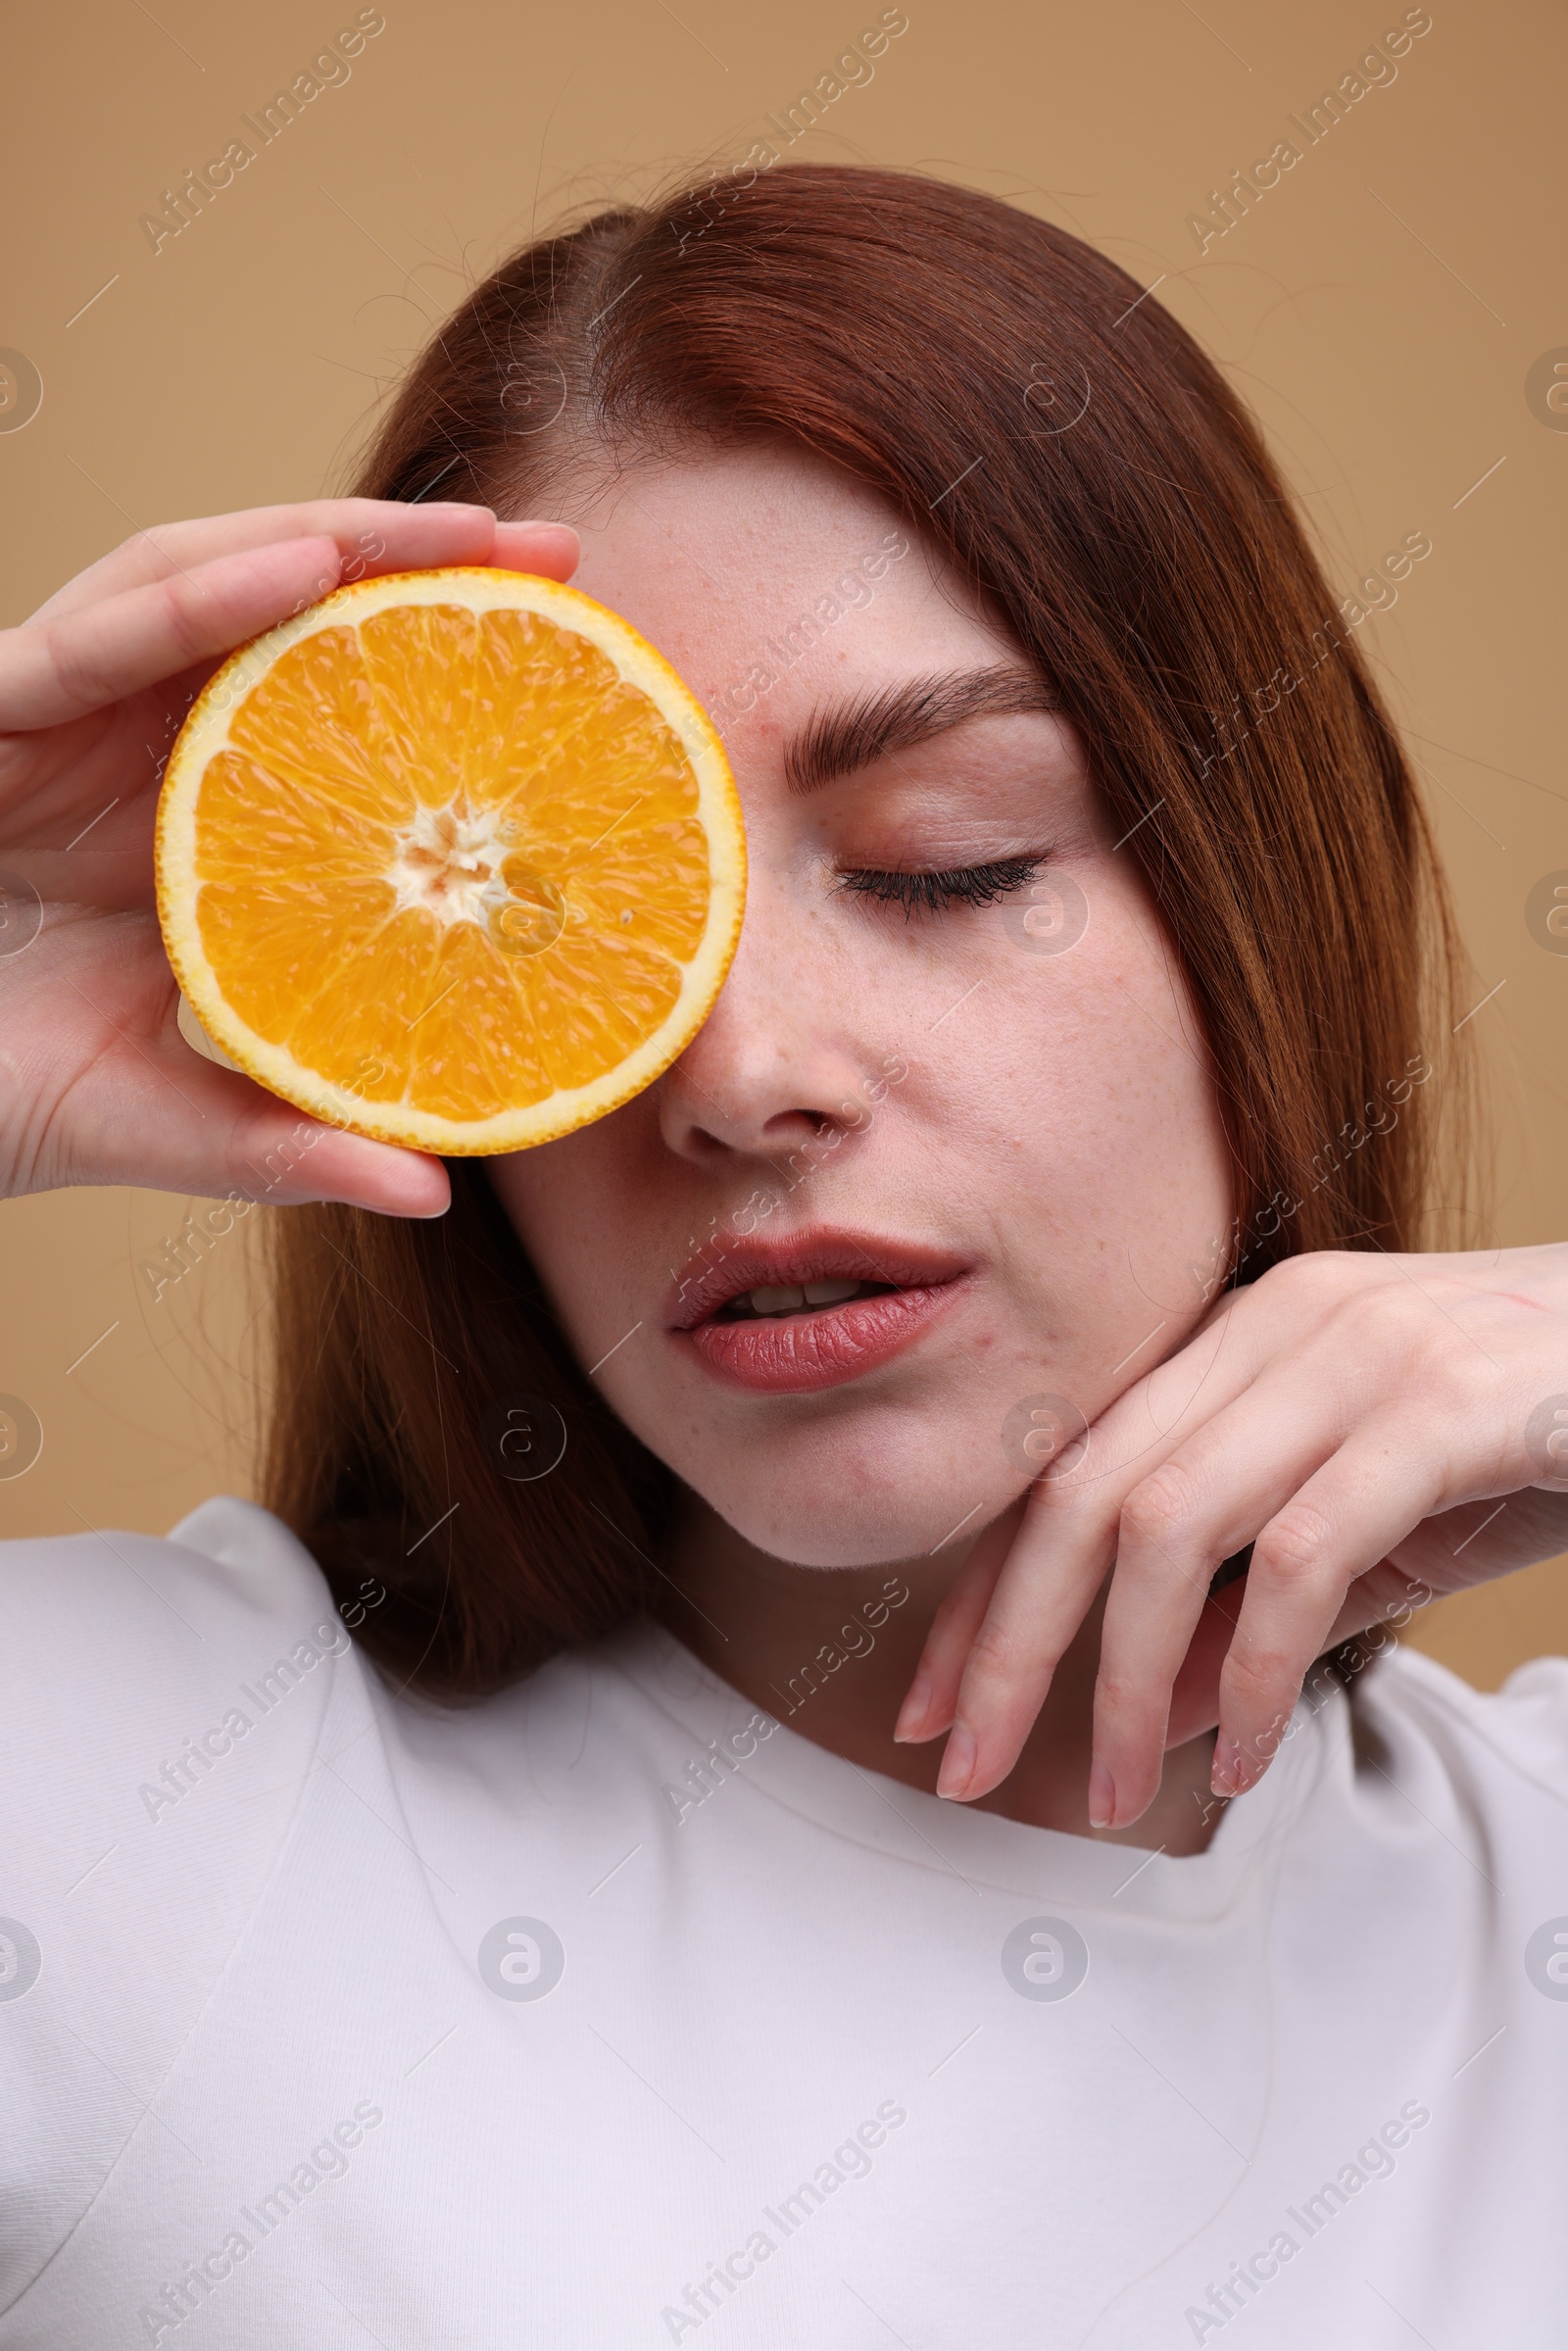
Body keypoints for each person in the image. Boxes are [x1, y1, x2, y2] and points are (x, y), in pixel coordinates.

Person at [1, 164, 1565, 2349]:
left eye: (944, 864)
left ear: (1254, 901)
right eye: (554, 923)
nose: (734, 1077)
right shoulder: (99, 1803)